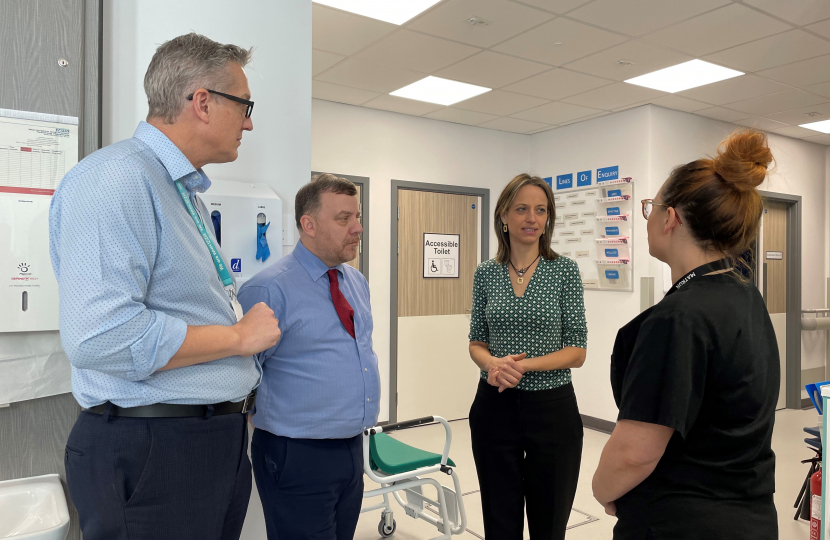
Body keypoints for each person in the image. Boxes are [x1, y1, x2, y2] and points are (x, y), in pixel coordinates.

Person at [49, 33, 281, 540]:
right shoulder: (117, 179)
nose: (248, 122)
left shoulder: (183, 192)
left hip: (205, 441)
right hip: (154, 446)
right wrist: (239, 338)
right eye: (243, 105)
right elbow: (101, 337)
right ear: (202, 102)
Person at [592, 130, 779, 539]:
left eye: (651, 207)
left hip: (683, 521)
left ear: (670, 218)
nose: (649, 218)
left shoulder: (677, 319)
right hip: (749, 518)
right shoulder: (743, 294)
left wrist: (602, 489)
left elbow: (634, 455)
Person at [237, 173, 380, 540]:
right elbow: (242, 377)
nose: (357, 228)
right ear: (309, 224)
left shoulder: (355, 281)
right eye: (344, 218)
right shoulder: (269, 288)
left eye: (358, 217)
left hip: (351, 447)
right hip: (296, 454)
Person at [468, 173, 588, 540]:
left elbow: (577, 350)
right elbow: (476, 341)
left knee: (549, 522)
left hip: (552, 411)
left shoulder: (564, 271)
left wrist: (519, 366)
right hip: (495, 406)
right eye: (521, 209)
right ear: (503, 215)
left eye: (540, 210)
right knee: (499, 519)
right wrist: (493, 365)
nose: (531, 218)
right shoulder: (486, 273)